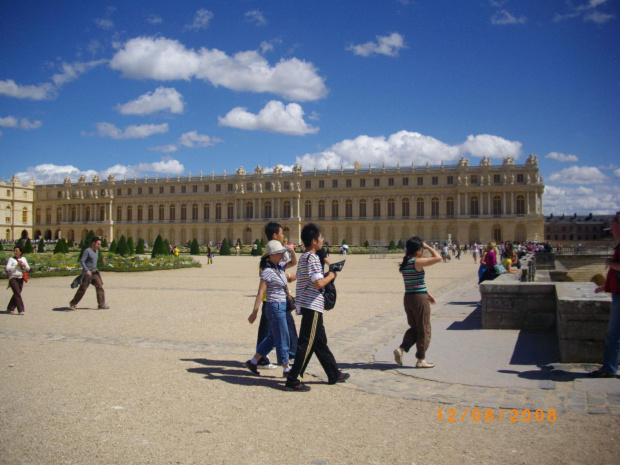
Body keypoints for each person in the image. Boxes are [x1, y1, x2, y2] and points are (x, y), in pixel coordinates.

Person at [285, 223, 349, 392]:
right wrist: (332, 274)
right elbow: (319, 283)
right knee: (306, 343)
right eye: (320, 238)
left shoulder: (305, 256)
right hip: (312, 305)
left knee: (319, 342)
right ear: (314, 241)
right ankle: (293, 379)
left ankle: (333, 373)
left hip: (309, 304)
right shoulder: (312, 258)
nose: (322, 240)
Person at [246, 240, 298, 377]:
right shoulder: (267, 271)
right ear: (270, 255)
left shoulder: (279, 267)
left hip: (281, 306)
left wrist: (291, 251)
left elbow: (293, 262)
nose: (281, 255)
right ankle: (286, 368)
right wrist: (255, 312)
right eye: (278, 253)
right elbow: (260, 292)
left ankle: (253, 361)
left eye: (282, 252)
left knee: (273, 338)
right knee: (282, 336)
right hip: (274, 307)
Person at [393, 237, 441, 368]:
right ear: (418, 250)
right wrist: (428, 246)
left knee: (415, 328)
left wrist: (427, 293)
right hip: (419, 299)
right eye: (421, 249)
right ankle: (421, 359)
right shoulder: (417, 262)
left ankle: (401, 349)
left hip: (409, 297)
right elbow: (438, 258)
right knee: (423, 328)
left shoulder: (405, 262)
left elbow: (414, 282)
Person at [255, 222, 298, 366]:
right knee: (272, 330)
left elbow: (283, 266)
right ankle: (286, 358)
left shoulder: (276, 251)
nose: (283, 235)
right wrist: (286, 276)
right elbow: (266, 273)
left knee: (276, 329)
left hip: (278, 297)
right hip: (272, 298)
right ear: (275, 235)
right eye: (281, 233)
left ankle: (288, 354)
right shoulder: (269, 254)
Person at [589, 213, 620, 378]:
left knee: (614, 335)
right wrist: (605, 286)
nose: (611, 229)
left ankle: (609, 368)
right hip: (616, 292)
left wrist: (610, 263)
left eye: (613, 225)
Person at [69, 236, 109, 310]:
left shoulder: (96, 251)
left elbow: (93, 260)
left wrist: (103, 258)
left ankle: (101, 304)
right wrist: (86, 270)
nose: (99, 246)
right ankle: (73, 303)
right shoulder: (87, 251)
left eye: (100, 244)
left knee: (100, 287)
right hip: (87, 274)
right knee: (82, 289)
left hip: (94, 272)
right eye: (98, 244)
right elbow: (82, 261)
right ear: (93, 243)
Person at [6, 244, 30, 315]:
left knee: (17, 294)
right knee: (17, 293)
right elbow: (7, 268)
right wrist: (16, 266)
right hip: (13, 278)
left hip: (20, 278)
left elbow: (28, 268)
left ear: (20, 252)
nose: (15, 252)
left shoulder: (23, 259)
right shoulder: (11, 259)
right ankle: (21, 310)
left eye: (17, 251)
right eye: (14, 251)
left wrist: (24, 265)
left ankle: (10, 308)